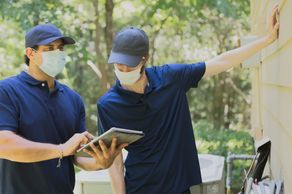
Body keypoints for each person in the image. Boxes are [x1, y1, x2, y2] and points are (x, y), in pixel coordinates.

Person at [97, 5, 280, 194]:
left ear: (144, 60)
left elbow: (221, 62)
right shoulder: (107, 105)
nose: (123, 71)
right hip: (139, 188)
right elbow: (114, 163)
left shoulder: (171, 79)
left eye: (129, 66)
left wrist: (267, 39)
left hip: (179, 187)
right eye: (119, 65)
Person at [0, 23, 126, 194]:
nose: (58, 53)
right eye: (50, 48)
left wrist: (101, 163)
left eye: (60, 48)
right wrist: (60, 150)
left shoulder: (73, 99)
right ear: (30, 53)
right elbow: (3, 146)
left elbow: (76, 156)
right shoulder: (6, 91)